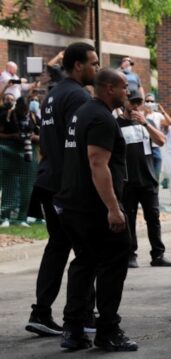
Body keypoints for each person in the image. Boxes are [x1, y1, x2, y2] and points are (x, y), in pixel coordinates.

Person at [54, 68, 137, 351]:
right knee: (113, 263)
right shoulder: (101, 117)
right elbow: (97, 163)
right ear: (110, 89)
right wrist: (113, 209)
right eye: (125, 86)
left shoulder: (83, 113)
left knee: (84, 263)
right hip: (94, 208)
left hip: (72, 204)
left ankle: (74, 330)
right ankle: (108, 331)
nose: (129, 91)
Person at [23, 43, 99, 337]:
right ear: (78, 65)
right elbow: (76, 146)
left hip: (47, 180)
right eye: (93, 62)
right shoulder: (79, 96)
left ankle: (42, 311)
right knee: (86, 250)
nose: (96, 66)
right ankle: (81, 316)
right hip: (66, 187)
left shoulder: (53, 94)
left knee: (58, 246)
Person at [117, 89, 171, 268]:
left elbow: (162, 141)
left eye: (138, 102)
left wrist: (146, 125)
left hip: (148, 179)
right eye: (131, 102)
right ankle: (130, 254)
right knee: (130, 219)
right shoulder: (116, 124)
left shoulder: (145, 122)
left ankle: (158, 254)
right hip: (128, 181)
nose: (135, 106)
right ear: (124, 103)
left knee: (153, 218)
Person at [0, 96, 39, 227]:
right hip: (7, 154)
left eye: (25, 110)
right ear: (17, 106)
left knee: (27, 187)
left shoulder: (33, 117)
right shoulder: (7, 115)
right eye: (21, 109)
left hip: (27, 155)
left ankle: (22, 217)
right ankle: (4, 217)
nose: (23, 112)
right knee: (9, 185)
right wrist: (13, 136)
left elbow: (43, 135)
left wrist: (33, 137)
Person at [144, 93, 171, 181]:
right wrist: (145, 112)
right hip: (145, 147)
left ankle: (155, 188)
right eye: (147, 101)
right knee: (147, 173)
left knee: (156, 173)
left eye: (152, 101)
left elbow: (169, 123)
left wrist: (162, 110)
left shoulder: (158, 115)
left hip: (156, 146)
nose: (149, 103)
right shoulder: (141, 114)